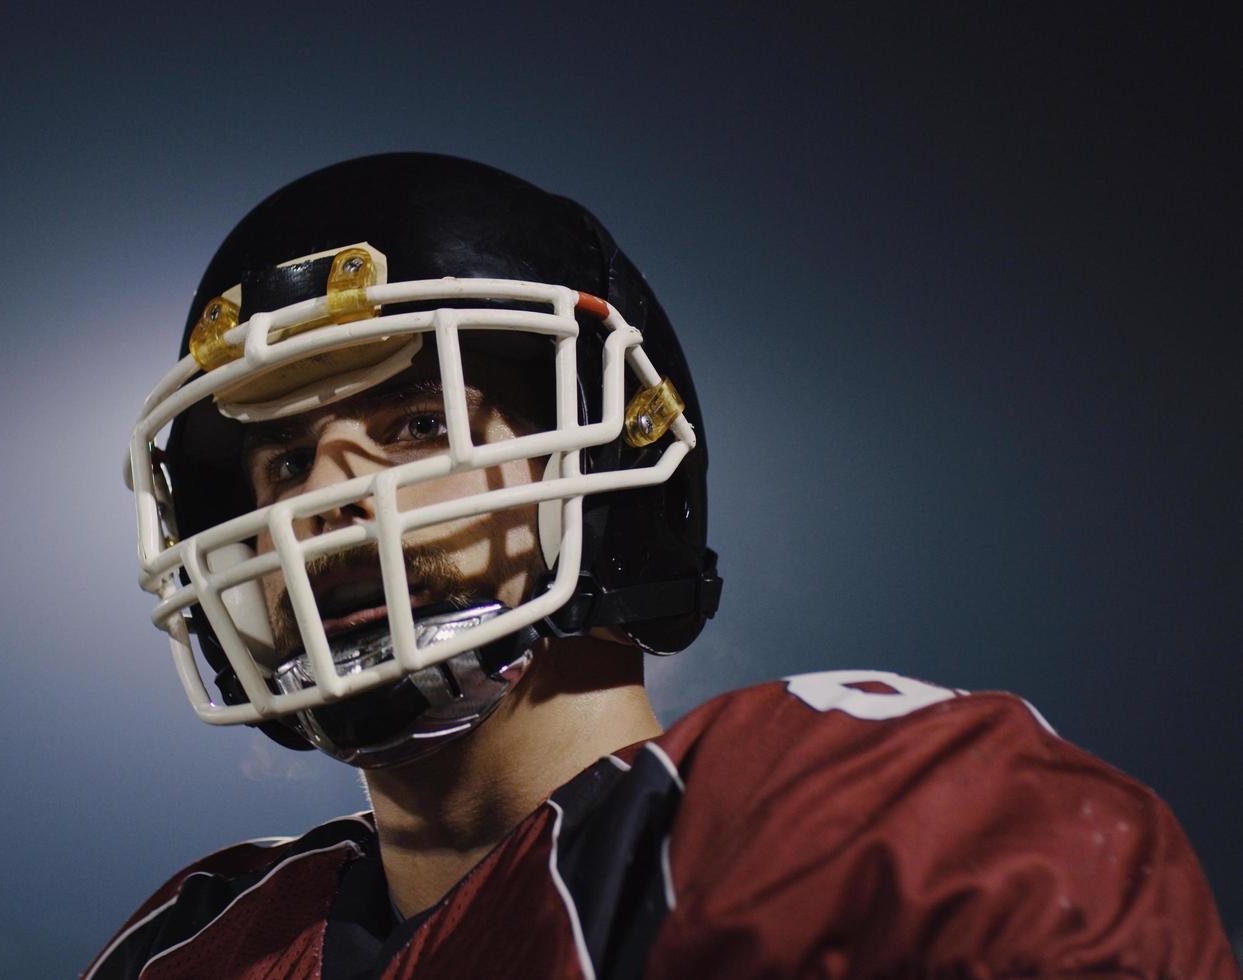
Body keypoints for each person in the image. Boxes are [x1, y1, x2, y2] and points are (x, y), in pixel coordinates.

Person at [91, 154, 1237, 979]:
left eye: (412, 426)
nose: (317, 494)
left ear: (606, 457)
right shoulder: (202, 937)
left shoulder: (833, 823)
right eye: (283, 456)